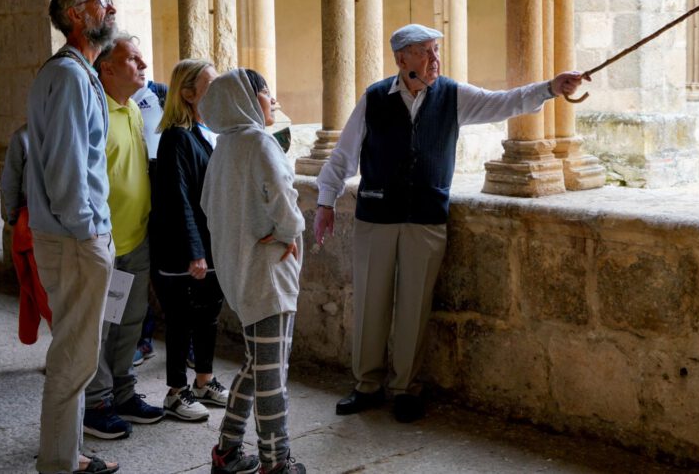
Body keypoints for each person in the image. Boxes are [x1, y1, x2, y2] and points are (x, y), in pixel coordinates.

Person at [315, 23, 590, 423]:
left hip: (427, 216)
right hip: (376, 214)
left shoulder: (453, 95)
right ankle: (367, 385)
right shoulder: (375, 98)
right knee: (371, 302)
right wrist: (325, 201)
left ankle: (405, 387)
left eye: (436, 50)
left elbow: (504, 102)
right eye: (425, 52)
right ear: (401, 59)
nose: (434, 60)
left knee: (414, 307)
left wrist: (550, 88)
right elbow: (343, 155)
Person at [26, 0, 119, 474]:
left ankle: (66, 451)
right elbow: (66, 167)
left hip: (71, 234)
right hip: (73, 237)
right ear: (78, 16)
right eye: (102, 2)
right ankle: (60, 461)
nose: (112, 8)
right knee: (75, 355)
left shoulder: (74, 73)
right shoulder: (66, 75)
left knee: (77, 350)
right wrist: (89, 234)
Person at [201, 69, 307, 474]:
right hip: (269, 275)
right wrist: (288, 231)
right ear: (245, 98)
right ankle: (275, 462)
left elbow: (209, 206)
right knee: (272, 376)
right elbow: (284, 200)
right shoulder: (259, 142)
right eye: (265, 93)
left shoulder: (224, 146)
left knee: (254, 364)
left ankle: (227, 451)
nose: (272, 100)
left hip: (238, 272)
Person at [82, 34, 164, 440]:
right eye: (133, 59)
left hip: (136, 236)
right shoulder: (93, 110)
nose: (143, 65)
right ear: (107, 68)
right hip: (104, 241)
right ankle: (96, 404)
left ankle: (122, 391)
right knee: (101, 325)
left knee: (129, 321)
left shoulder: (131, 108)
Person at [149, 59, 230, 422]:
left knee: (208, 315)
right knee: (181, 319)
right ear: (187, 93)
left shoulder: (205, 133)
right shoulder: (176, 138)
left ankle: (204, 380)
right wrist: (194, 252)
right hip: (183, 249)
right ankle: (175, 392)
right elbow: (177, 198)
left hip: (209, 245)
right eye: (210, 86)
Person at [1, 123, 52, 344]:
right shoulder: (23, 135)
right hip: (32, 221)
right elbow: (11, 179)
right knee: (41, 289)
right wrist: (12, 215)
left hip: (53, 221)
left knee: (46, 291)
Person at [132, 78, 168, 364]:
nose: (141, 64)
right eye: (133, 58)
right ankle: (141, 340)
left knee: (166, 272)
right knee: (133, 275)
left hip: (161, 192)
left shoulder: (160, 93)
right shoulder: (105, 99)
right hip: (130, 200)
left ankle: (187, 343)